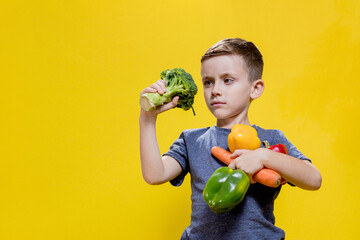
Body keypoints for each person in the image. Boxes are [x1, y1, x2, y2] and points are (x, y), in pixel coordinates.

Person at [139, 38, 322, 239]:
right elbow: (155, 175)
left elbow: (314, 179)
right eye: (208, 82)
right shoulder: (191, 140)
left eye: (228, 80)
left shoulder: (271, 139)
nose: (215, 90)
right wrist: (148, 118)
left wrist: (263, 157)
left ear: (255, 88)